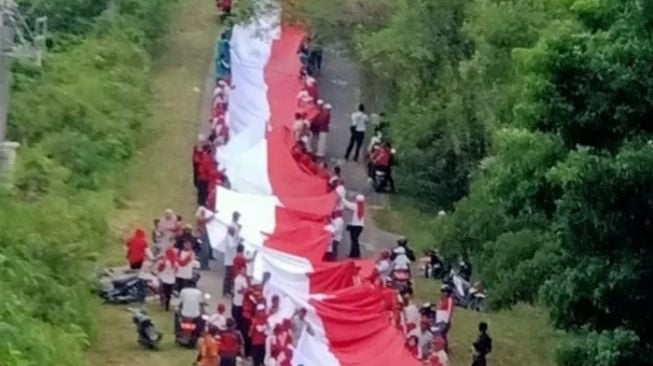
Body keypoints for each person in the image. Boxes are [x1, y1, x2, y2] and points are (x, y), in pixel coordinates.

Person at [223, 212, 241, 296]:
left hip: (232, 256)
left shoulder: (235, 226)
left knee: (231, 274)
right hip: (230, 256)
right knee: (228, 274)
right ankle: (225, 290)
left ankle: (229, 289)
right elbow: (231, 245)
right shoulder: (230, 230)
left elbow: (236, 237)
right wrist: (237, 243)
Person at [231, 266, 249, 352]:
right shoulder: (239, 279)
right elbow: (239, 291)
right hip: (238, 303)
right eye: (244, 270)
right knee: (238, 323)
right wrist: (246, 291)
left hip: (239, 302)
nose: (245, 271)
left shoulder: (243, 278)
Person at [342, 194, 365, 258]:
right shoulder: (362, 207)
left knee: (354, 240)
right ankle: (355, 253)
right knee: (355, 240)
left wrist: (342, 197)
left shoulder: (355, 206)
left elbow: (347, 204)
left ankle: (355, 254)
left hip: (355, 226)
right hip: (360, 226)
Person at [158, 245, 177, 311]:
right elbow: (176, 270)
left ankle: (162, 301)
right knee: (169, 293)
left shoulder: (165, 261)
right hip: (172, 279)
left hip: (164, 278)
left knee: (162, 290)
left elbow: (160, 269)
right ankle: (167, 306)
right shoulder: (175, 262)